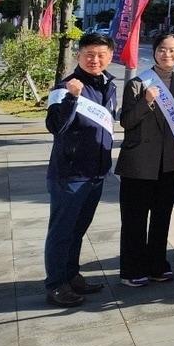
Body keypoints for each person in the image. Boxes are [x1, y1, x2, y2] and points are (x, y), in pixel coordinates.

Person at [44, 33, 118, 307]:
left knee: (78, 229)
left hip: (96, 173)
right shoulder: (65, 87)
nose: (94, 60)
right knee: (61, 232)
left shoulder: (108, 84)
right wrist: (72, 99)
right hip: (70, 175)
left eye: (101, 54)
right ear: (79, 55)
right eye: (89, 54)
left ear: (110, 56)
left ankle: (71, 275)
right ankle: (55, 285)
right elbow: (55, 127)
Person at [116, 32, 174, 287]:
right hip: (139, 164)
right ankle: (132, 269)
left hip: (168, 163)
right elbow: (126, 121)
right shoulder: (137, 83)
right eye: (161, 49)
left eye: (172, 50)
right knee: (135, 220)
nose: (166, 54)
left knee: (161, 218)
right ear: (154, 52)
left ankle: (157, 264)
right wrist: (147, 101)